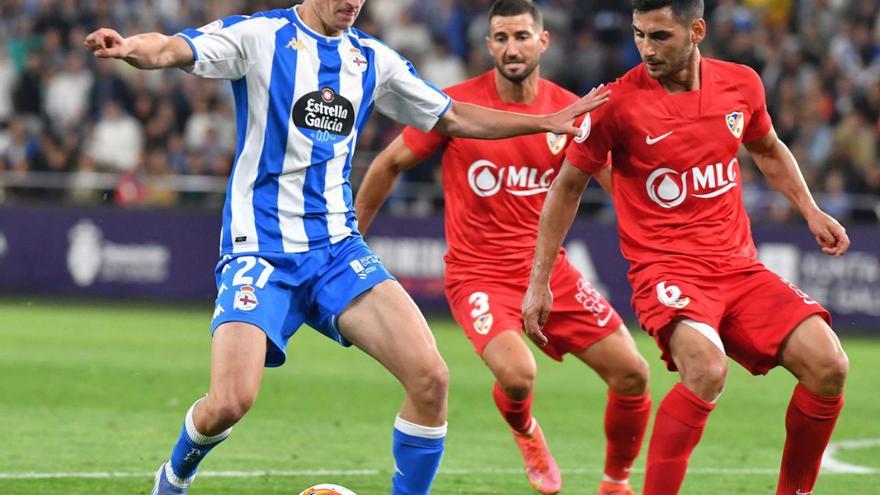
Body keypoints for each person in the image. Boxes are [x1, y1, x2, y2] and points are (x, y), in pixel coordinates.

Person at [83, 1, 609, 494]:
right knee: (229, 403)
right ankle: (173, 477)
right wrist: (130, 47)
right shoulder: (260, 37)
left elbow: (452, 117)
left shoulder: (372, 59)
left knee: (430, 378)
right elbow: (174, 48)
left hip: (336, 250)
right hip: (260, 252)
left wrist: (544, 121)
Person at [522, 1, 850, 494]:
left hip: (739, 268)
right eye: (639, 35)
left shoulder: (742, 83)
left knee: (830, 365)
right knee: (706, 368)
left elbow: (767, 147)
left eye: (660, 37)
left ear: (696, 30)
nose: (645, 49)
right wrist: (539, 280)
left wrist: (810, 209)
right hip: (666, 271)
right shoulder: (616, 104)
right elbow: (567, 188)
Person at [356, 2, 650, 494]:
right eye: (501, 38)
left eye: (521, 36)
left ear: (543, 41)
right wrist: (352, 238)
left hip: (551, 273)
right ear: (488, 45)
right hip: (479, 276)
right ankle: (525, 430)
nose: (511, 47)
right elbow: (388, 164)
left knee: (633, 375)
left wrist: (660, 247)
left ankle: (615, 483)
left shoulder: (569, 111)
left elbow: (619, 187)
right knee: (518, 376)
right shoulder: (452, 107)